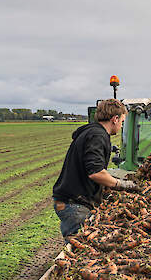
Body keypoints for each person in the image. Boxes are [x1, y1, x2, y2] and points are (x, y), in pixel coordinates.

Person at [52, 99, 138, 236]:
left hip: (71, 202)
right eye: (122, 121)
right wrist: (121, 184)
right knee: (80, 249)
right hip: (75, 204)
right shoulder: (97, 136)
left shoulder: (92, 132)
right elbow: (96, 172)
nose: (121, 125)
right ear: (115, 119)